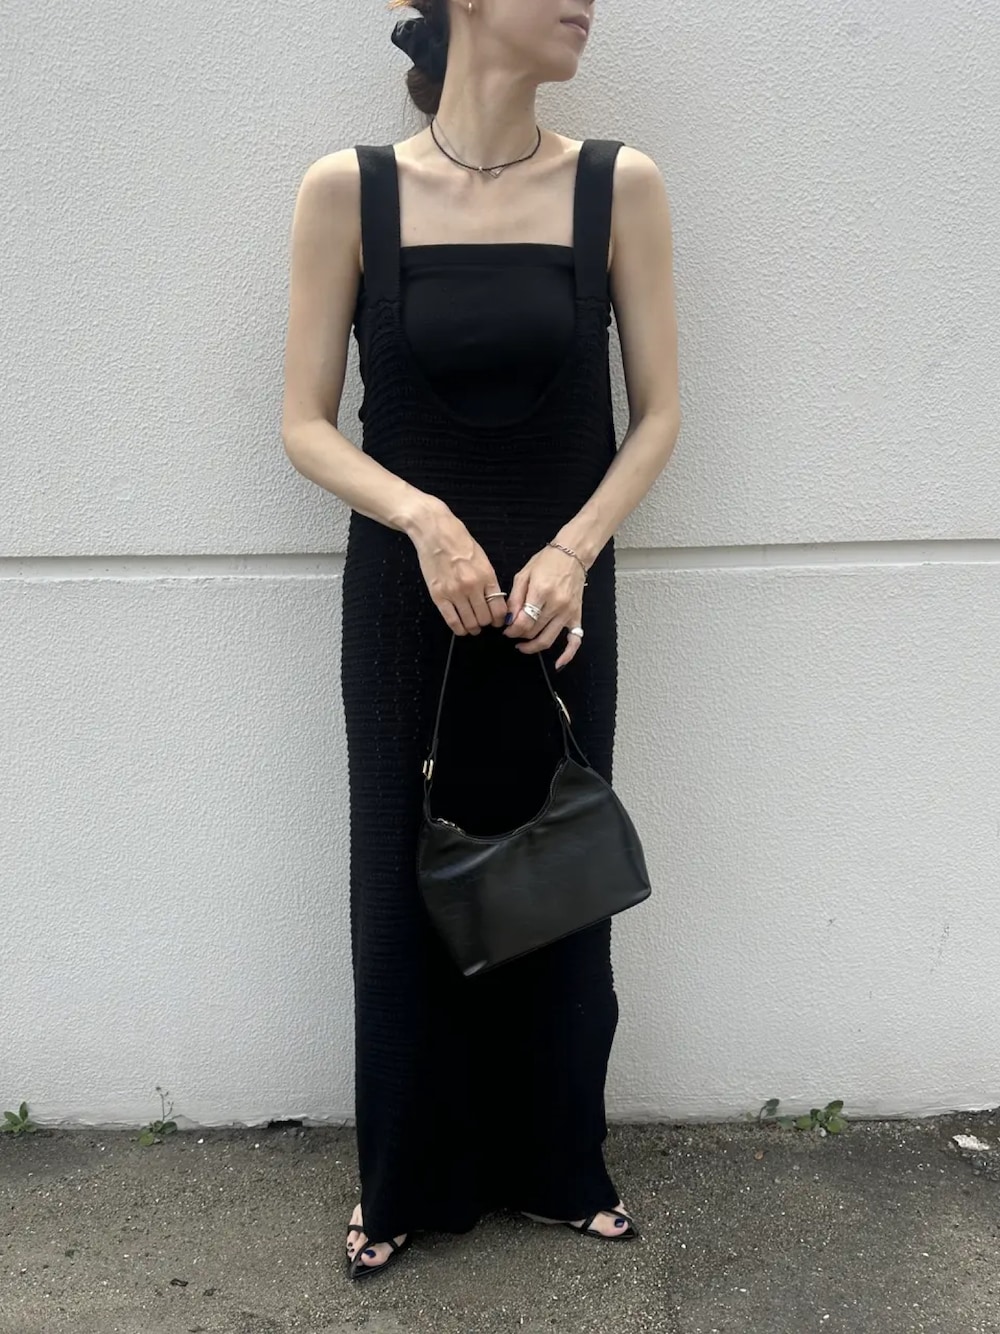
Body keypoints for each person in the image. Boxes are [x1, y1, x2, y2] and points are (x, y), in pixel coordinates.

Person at [280, 0, 680, 1281]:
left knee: (555, 871)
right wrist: (422, 517)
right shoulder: (350, 192)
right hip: (409, 605)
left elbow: (659, 414)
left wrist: (573, 550)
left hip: (561, 604)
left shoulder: (617, 186)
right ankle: (402, 1179)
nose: (586, 4)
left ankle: (560, 1164)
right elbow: (303, 421)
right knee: (403, 880)